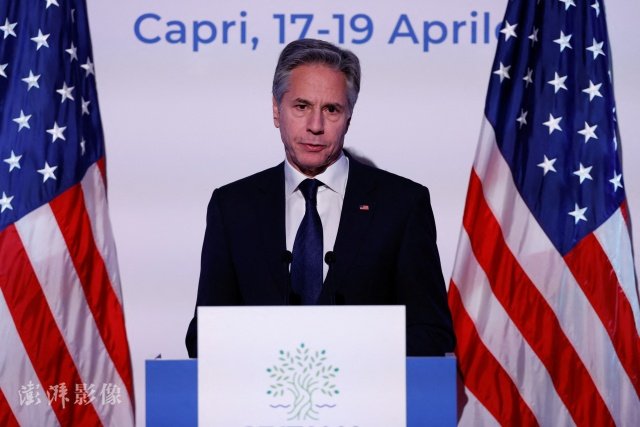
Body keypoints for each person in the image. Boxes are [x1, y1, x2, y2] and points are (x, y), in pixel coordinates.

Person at [186, 38, 455, 357]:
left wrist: (352, 353)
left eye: (331, 109)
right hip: (261, 387)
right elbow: (204, 335)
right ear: (276, 110)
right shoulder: (233, 207)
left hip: (367, 387)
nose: (316, 126)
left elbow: (431, 333)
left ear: (349, 116)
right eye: (301, 107)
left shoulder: (402, 204)